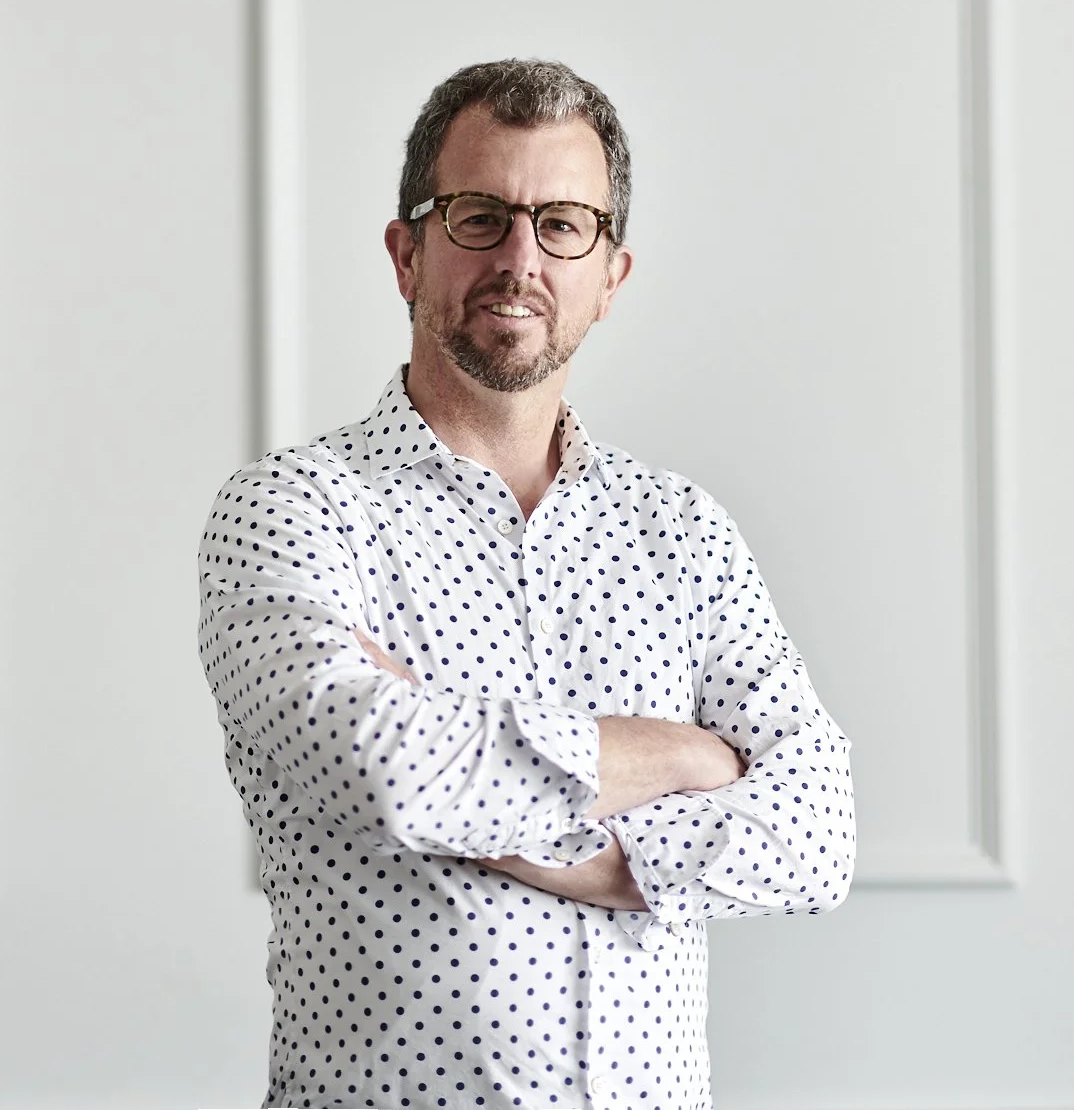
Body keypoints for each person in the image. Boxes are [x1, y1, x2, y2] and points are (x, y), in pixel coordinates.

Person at [198, 59, 855, 1110]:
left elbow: (816, 836)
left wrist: (540, 838)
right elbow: (383, 772)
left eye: (561, 224)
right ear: (406, 254)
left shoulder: (682, 531)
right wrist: (680, 754)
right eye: (478, 217)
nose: (519, 258)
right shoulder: (292, 511)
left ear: (610, 276)